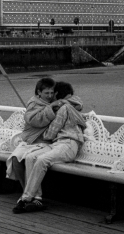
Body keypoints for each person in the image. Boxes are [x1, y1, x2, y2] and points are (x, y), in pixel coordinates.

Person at [12, 81, 92, 214]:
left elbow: (50, 134)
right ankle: (37, 198)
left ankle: (25, 199)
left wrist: (41, 134)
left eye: (52, 94)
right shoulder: (67, 106)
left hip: (68, 144)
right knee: (31, 157)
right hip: (58, 144)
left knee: (42, 160)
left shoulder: (64, 109)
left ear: (56, 95)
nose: (50, 98)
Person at [6, 76, 62, 208]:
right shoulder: (33, 103)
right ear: (39, 92)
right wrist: (51, 108)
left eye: (51, 93)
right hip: (30, 140)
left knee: (30, 159)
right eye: (46, 93)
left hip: (46, 142)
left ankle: (32, 196)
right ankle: (28, 193)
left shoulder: (57, 102)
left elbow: (75, 102)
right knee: (15, 159)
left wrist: (54, 105)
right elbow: (34, 120)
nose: (49, 96)